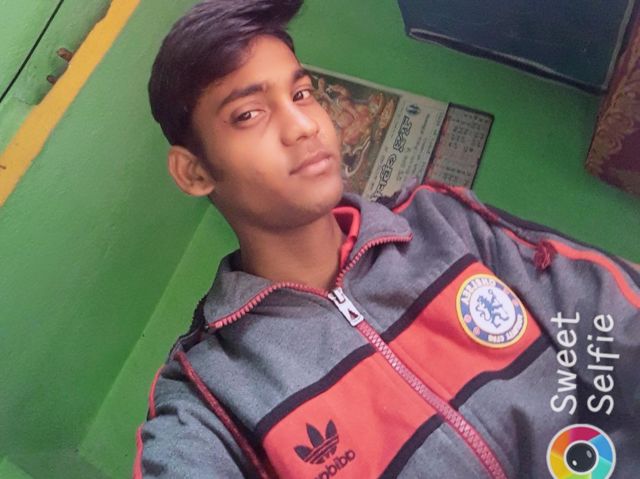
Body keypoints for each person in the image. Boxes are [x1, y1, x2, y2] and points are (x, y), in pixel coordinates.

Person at [134, 1, 640, 477]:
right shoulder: (208, 392)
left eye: (302, 94)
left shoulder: (440, 221)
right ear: (195, 172)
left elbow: (612, 317)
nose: (303, 126)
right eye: (248, 114)